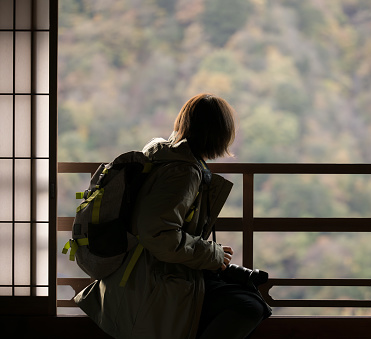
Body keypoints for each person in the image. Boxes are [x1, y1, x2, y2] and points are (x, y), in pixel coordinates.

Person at [74, 93, 271, 339]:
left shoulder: (161, 155)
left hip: (137, 273)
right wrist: (213, 254)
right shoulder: (184, 172)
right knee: (249, 307)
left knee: (244, 297)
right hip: (151, 282)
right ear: (220, 134)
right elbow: (158, 234)